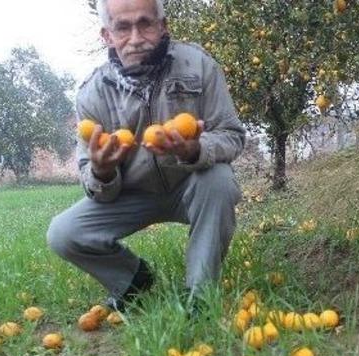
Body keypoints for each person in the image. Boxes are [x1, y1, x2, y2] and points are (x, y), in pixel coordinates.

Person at [47, 0, 246, 311]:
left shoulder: (199, 66)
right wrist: (102, 170)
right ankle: (131, 280)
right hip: (132, 193)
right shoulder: (92, 93)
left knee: (219, 181)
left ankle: (200, 297)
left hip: (191, 185)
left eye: (145, 23)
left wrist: (197, 149)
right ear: (107, 35)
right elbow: (92, 179)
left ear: (163, 25)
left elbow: (232, 135)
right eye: (123, 28)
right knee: (64, 233)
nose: (136, 38)